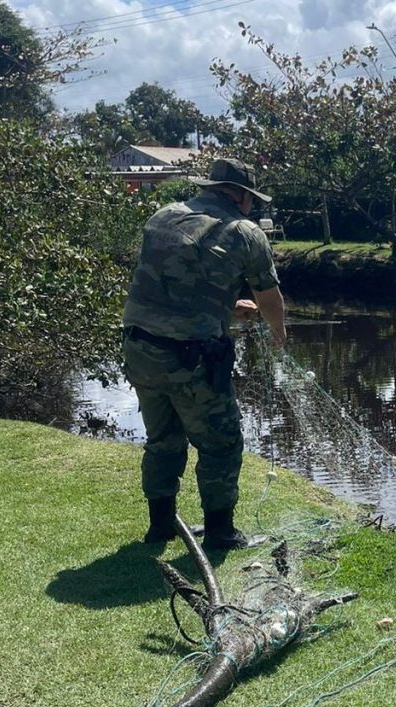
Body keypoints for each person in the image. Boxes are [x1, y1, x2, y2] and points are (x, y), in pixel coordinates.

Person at [122, 157, 287, 550]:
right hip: (193, 356)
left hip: (140, 346)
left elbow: (169, 288)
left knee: (162, 439)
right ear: (241, 197)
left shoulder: (163, 217)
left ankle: (160, 526)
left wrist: (227, 308)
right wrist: (277, 330)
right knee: (221, 442)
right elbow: (269, 296)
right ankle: (221, 532)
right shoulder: (244, 232)